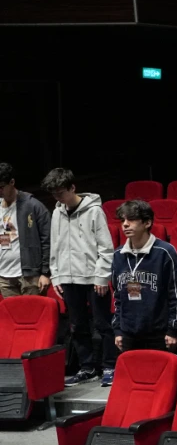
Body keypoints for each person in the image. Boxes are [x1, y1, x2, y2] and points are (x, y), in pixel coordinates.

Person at [42, 167, 114, 384]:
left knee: (102, 324)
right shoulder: (57, 212)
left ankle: (110, 366)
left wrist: (101, 276)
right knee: (77, 325)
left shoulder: (94, 211)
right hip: (68, 278)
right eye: (54, 194)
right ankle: (87, 368)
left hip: (93, 278)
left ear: (72, 187)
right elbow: (55, 246)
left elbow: (106, 248)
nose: (58, 197)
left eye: (61, 192)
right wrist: (56, 276)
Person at [110, 200, 177, 353]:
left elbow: (176, 294)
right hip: (128, 333)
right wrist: (118, 329)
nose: (125, 224)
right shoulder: (118, 255)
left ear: (147, 222)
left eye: (131, 219)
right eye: (122, 220)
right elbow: (118, 297)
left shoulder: (165, 252)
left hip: (159, 333)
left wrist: (173, 329)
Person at [0, 162, 51, 298]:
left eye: (1, 187)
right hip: (4, 276)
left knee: (32, 311)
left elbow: (47, 240)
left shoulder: (33, 206)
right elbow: (6, 237)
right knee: (12, 312)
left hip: (30, 276)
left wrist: (45, 273)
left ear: (12, 182)